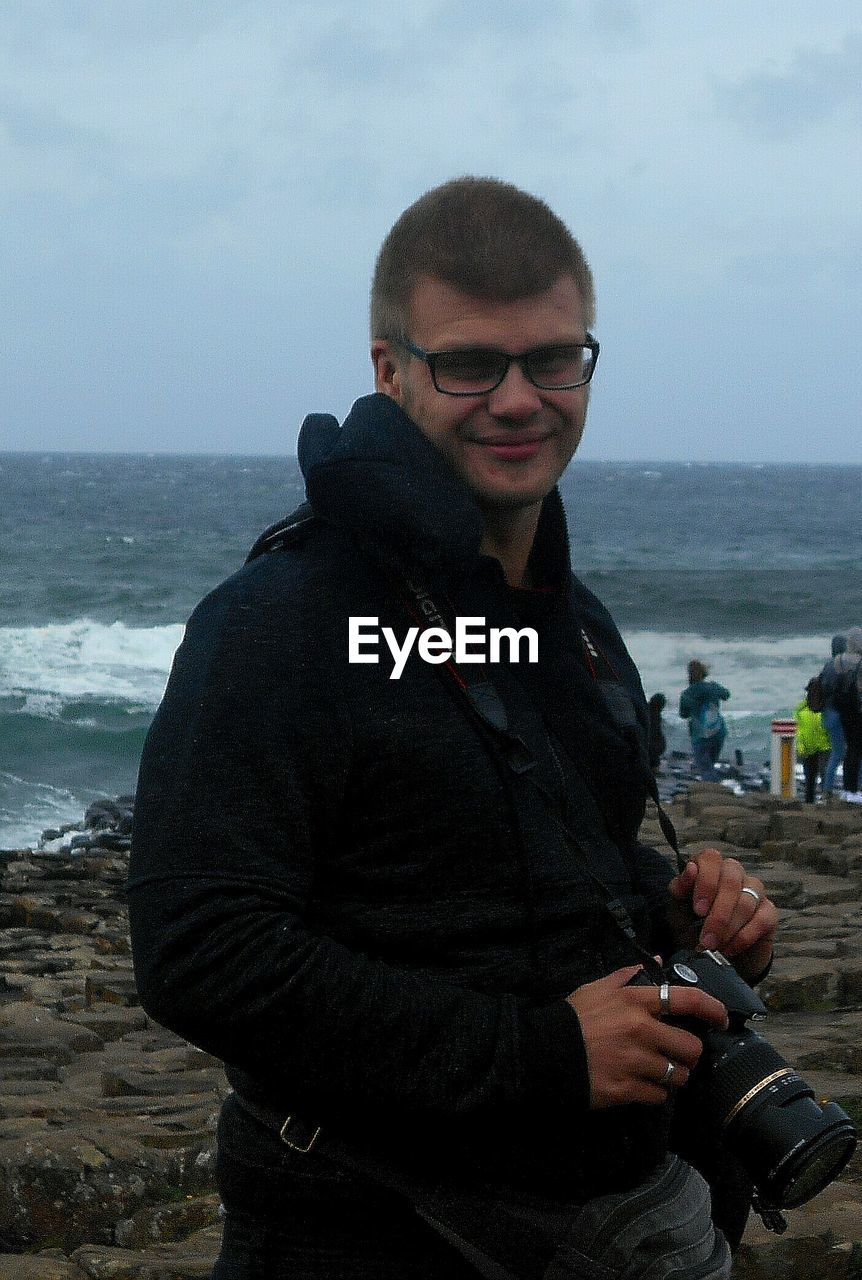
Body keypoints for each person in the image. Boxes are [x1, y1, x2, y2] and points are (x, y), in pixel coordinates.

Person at [128, 178, 777, 1280]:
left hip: (615, 1214)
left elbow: (509, 847)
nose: (520, 399)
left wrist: (670, 904)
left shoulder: (570, 624)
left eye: (554, 358)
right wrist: (540, 1054)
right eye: (471, 362)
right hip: (361, 1228)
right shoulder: (280, 621)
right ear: (388, 369)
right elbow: (199, 949)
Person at [678, 660, 731, 782]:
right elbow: (726, 695)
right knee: (710, 765)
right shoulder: (712, 687)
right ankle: (717, 789)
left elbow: (683, 715)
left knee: (705, 769)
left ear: (689, 675)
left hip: (700, 735)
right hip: (718, 731)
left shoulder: (686, 694)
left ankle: (712, 794)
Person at [828, 627, 862, 798]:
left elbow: (829, 683)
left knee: (847, 750)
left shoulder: (838, 660)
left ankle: (847, 790)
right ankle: (856, 788)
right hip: (857, 709)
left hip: (841, 710)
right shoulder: (860, 660)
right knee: (856, 750)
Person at [794, 680, 831, 803]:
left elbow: (831, 727)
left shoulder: (825, 708)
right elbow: (798, 731)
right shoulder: (801, 710)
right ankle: (810, 803)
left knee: (824, 774)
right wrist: (800, 747)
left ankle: (827, 800)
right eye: (811, 691)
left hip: (824, 747)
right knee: (810, 778)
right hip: (808, 749)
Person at [820, 634, 848, 796]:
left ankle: (827, 789)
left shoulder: (827, 666)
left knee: (836, 753)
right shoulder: (844, 665)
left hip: (829, 715)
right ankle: (854, 787)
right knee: (853, 752)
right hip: (843, 714)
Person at [647, 691, 667, 773]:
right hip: (651, 746)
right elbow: (656, 732)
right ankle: (654, 770)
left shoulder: (646, 709)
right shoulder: (656, 715)